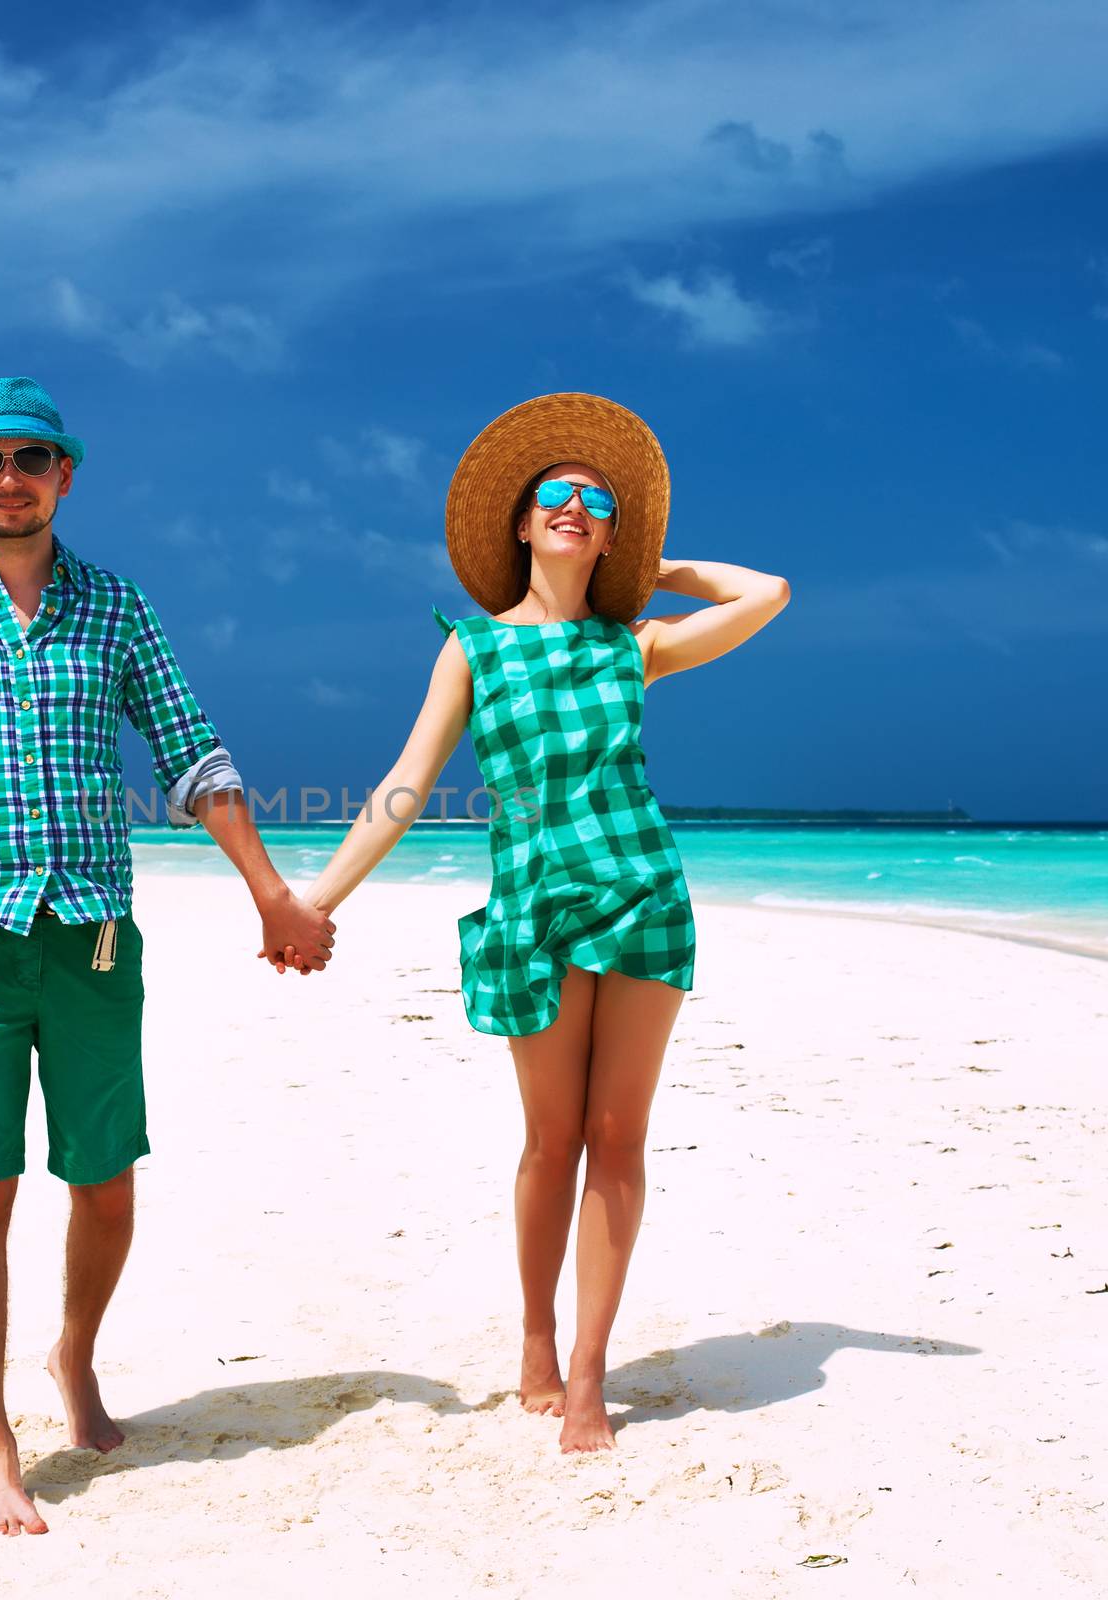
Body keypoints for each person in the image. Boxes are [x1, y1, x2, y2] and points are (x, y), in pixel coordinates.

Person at [0, 375, 335, 1536]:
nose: (8, 478)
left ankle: (73, 1358)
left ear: (63, 476)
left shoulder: (118, 608)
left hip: (93, 936)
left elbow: (194, 754)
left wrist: (271, 894)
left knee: (103, 1180)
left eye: (29, 458)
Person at [281, 393, 789, 1453]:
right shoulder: (473, 649)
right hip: (534, 909)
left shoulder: (632, 645)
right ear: (519, 523)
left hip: (644, 895)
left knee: (618, 1136)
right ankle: (534, 1336)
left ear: (607, 532)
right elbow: (404, 786)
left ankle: (593, 1372)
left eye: (596, 500)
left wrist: (656, 565)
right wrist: (315, 899)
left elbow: (768, 592)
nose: (574, 505)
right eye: (554, 493)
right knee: (550, 1139)